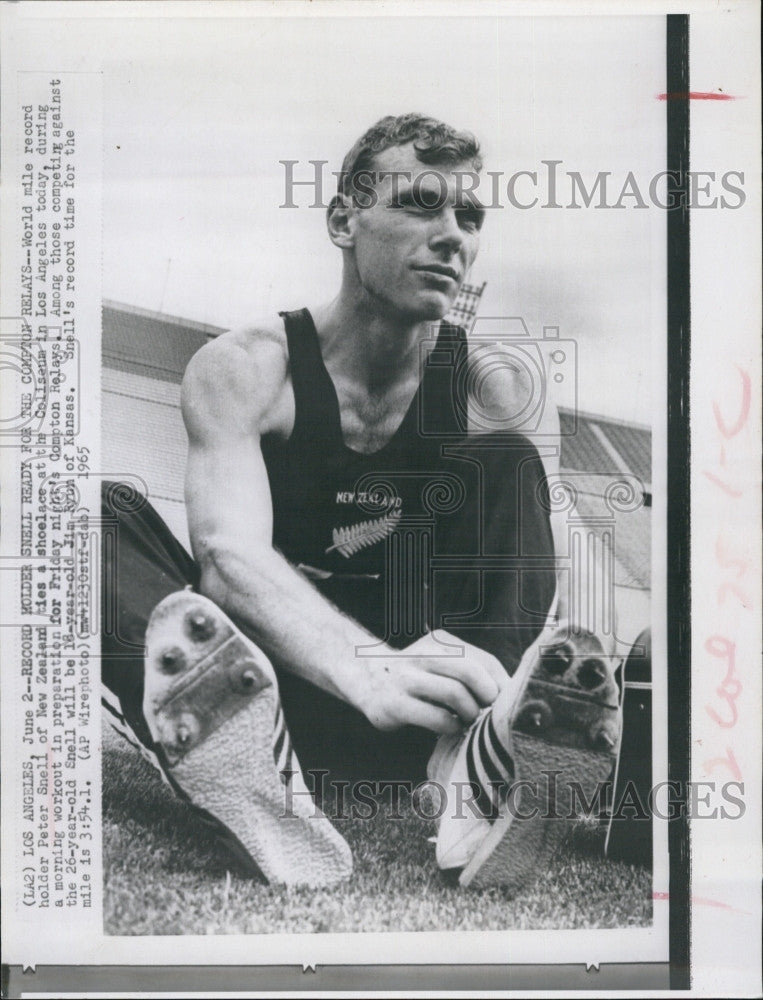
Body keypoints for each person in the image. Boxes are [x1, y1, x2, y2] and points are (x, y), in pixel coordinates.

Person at [101, 113, 621, 892]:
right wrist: (362, 668)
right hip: (274, 697)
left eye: (469, 217)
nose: (453, 236)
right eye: (420, 204)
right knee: (92, 520)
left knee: (510, 462)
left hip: (425, 715)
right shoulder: (247, 368)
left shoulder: (496, 387)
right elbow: (225, 557)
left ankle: (479, 764)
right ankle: (239, 767)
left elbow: (539, 565)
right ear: (344, 220)